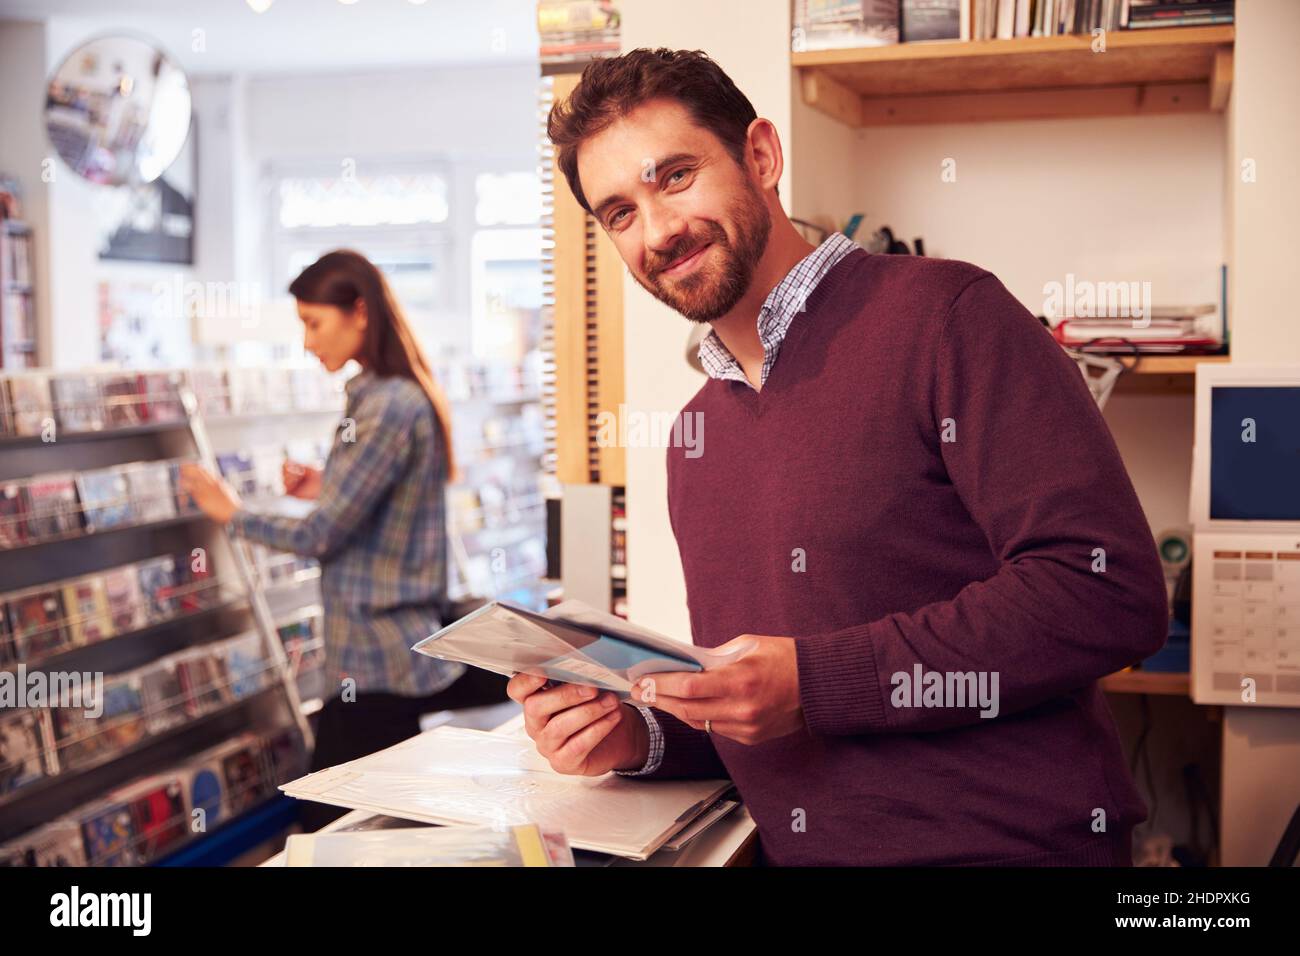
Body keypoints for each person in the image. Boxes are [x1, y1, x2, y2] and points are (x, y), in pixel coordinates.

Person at [507, 49, 1171, 866]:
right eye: (619, 213)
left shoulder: (950, 317)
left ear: (761, 156)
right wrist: (635, 736)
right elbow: (767, 711)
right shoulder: (693, 437)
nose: (658, 231)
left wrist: (811, 681)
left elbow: (1107, 592)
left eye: (675, 176)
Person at [181, 250, 507, 830]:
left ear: (359, 312)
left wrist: (232, 514)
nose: (308, 343)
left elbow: (321, 535)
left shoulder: (388, 404)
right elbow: (382, 505)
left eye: (314, 323)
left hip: (378, 656)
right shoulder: (390, 394)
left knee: (328, 823)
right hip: (380, 652)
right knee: (375, 817)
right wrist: (326, 484)